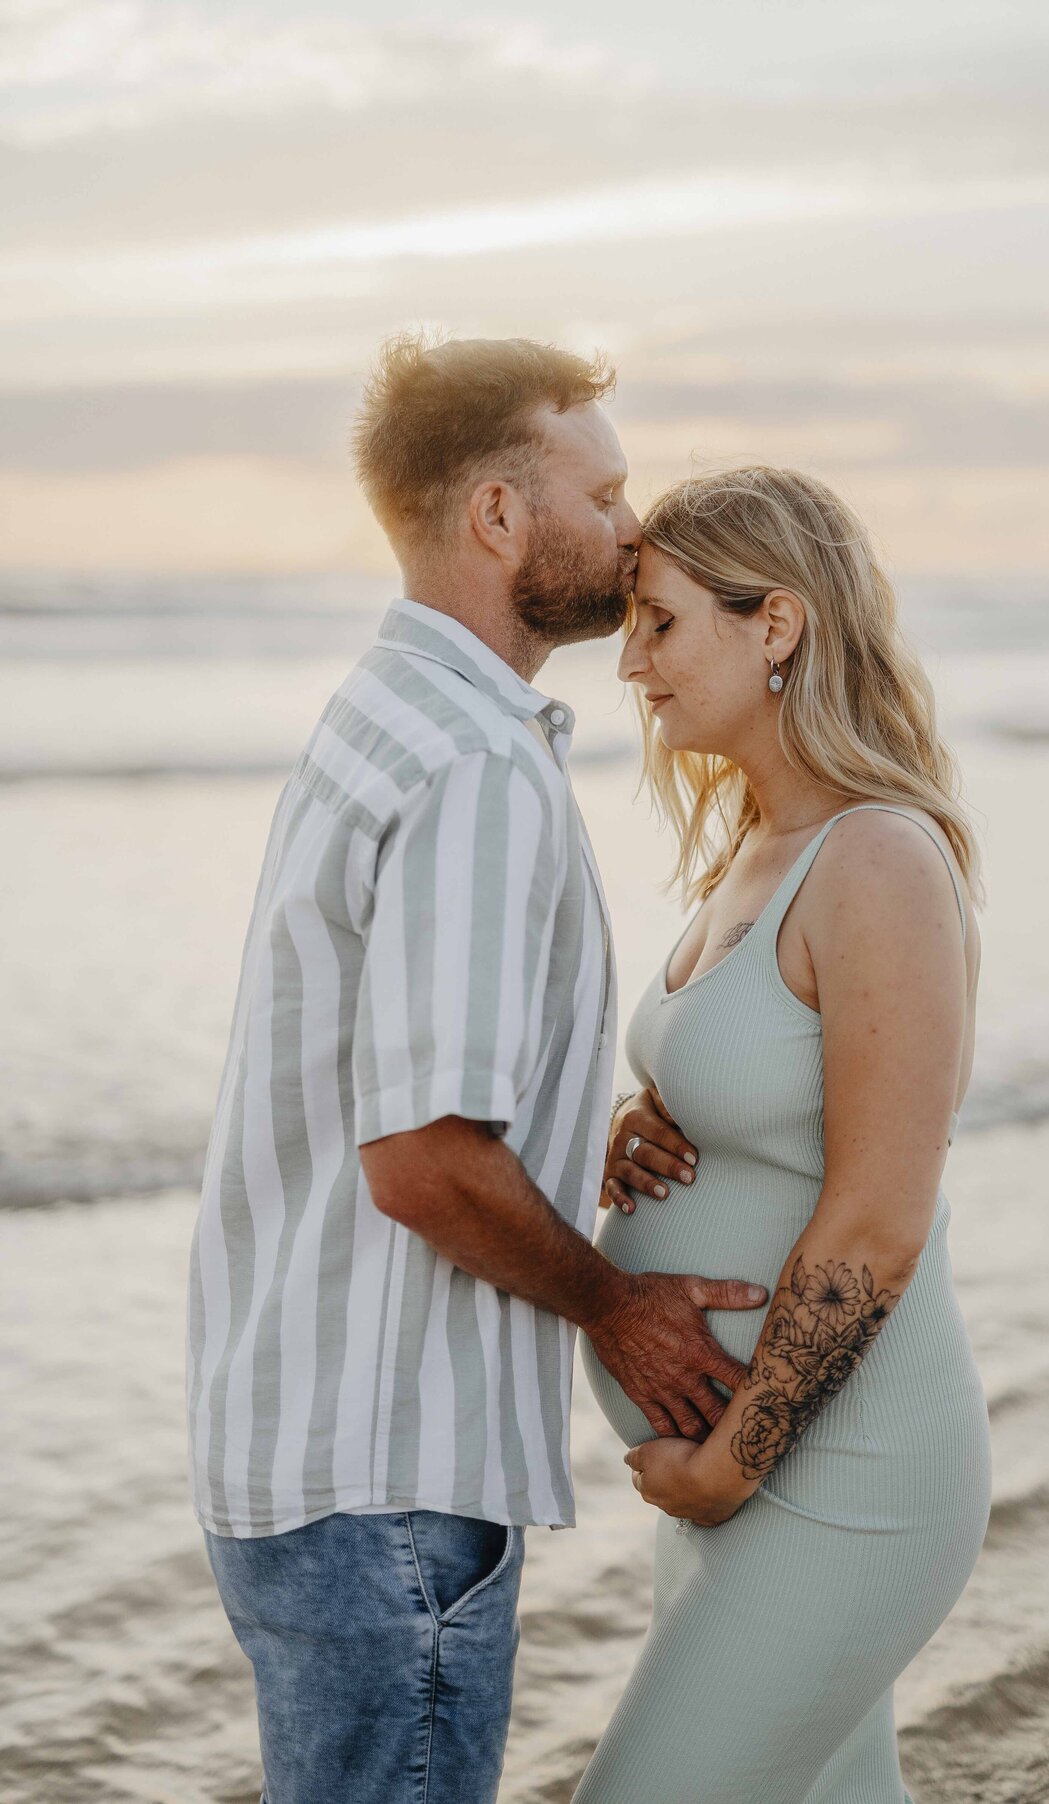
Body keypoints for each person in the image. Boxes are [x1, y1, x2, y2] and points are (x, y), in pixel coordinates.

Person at [185, 336, 769, 1804]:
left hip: (296, 1445)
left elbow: (378, 1099)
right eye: (607, 491)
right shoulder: (475, 767)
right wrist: (619, 1310)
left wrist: (577, 1134)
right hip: (390, 1484)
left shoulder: (382, 717)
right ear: (500, 517)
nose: (637, 531)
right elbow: (422, 1159)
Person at [577, 466, 992, 1803]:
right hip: (742, 1466)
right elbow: (782, 1091)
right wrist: (652, 1123)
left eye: (660, 622)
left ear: (777, 626)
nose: (632, 666)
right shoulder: (759, 844)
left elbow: (879, 1222)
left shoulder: (878, 859)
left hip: (840, 1472)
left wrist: (727, 1462)